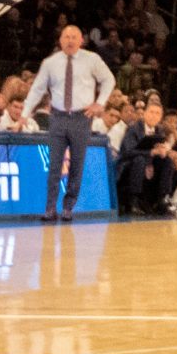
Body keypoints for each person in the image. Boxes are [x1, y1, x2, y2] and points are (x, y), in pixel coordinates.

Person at [24, 22, 116, 219]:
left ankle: (68, 207)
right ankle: (50, 209)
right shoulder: (50, 62)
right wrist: (25, 113)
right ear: (60, 40)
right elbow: (37, 89)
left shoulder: (92, 59)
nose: (70, 40)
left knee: (76, 165)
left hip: (81, 118)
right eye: (66, 37)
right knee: (54, 165)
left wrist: (99, 103)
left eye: (74, 37)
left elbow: (109, 80)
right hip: (57, 117)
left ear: (81, 40)